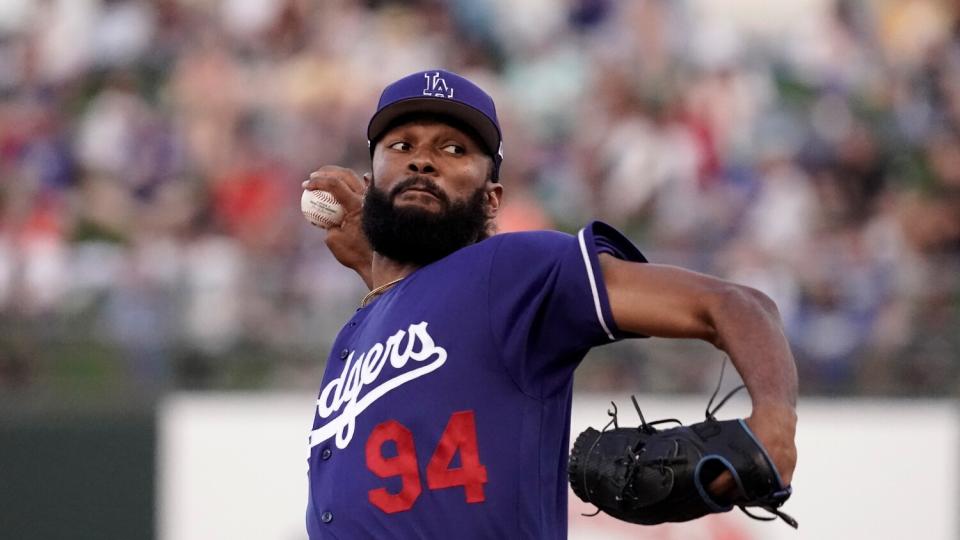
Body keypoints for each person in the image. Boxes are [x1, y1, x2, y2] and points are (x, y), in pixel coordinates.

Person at [302, 69, 798, 539]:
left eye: (454, 149)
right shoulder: (357, 334)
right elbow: (428, 313)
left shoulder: (513, 271)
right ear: (370, 181)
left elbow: (735, 304)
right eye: (401, 145)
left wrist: (775, 421)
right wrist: (376, 261)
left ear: (492, 200)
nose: (422, 160)